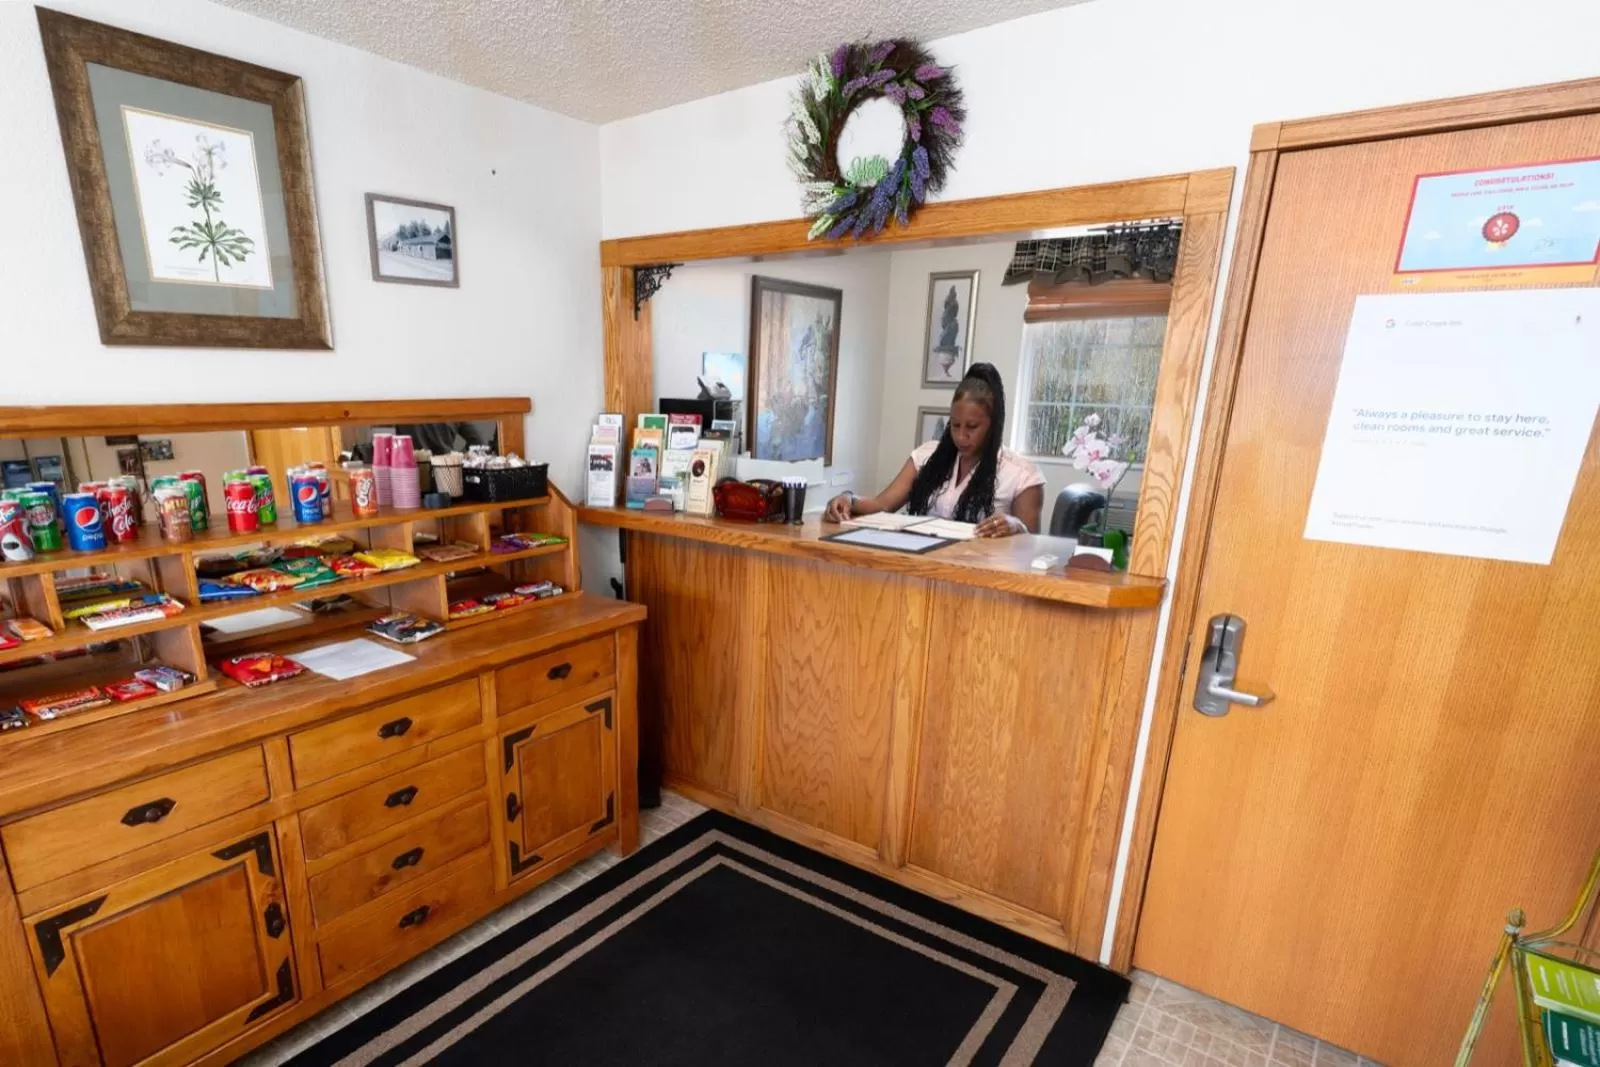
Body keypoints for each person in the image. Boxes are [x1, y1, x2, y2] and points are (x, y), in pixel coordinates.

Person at [824, 363, 1045, 537]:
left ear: (993, 424)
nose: (961, 436)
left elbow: (1034, 545)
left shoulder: (1022, 475)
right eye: (955, 425)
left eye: (972, 427)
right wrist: (848, 498)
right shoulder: (926, 456)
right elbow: (882, 505)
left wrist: (1016, 525)